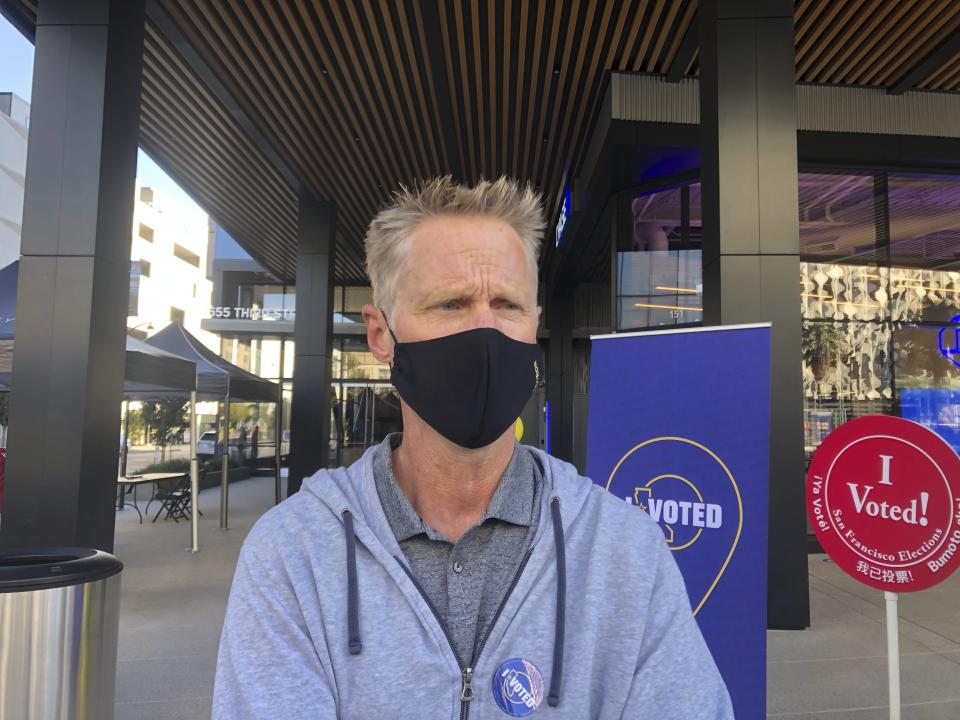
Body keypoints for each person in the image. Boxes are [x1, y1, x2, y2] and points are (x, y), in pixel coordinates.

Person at [213, 177, 734, 719]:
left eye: (507, 304)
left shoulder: (625, 553)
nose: (485, 330)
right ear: (380, 335)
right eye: (451, 304)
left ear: (534, 324)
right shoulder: (292, 557)